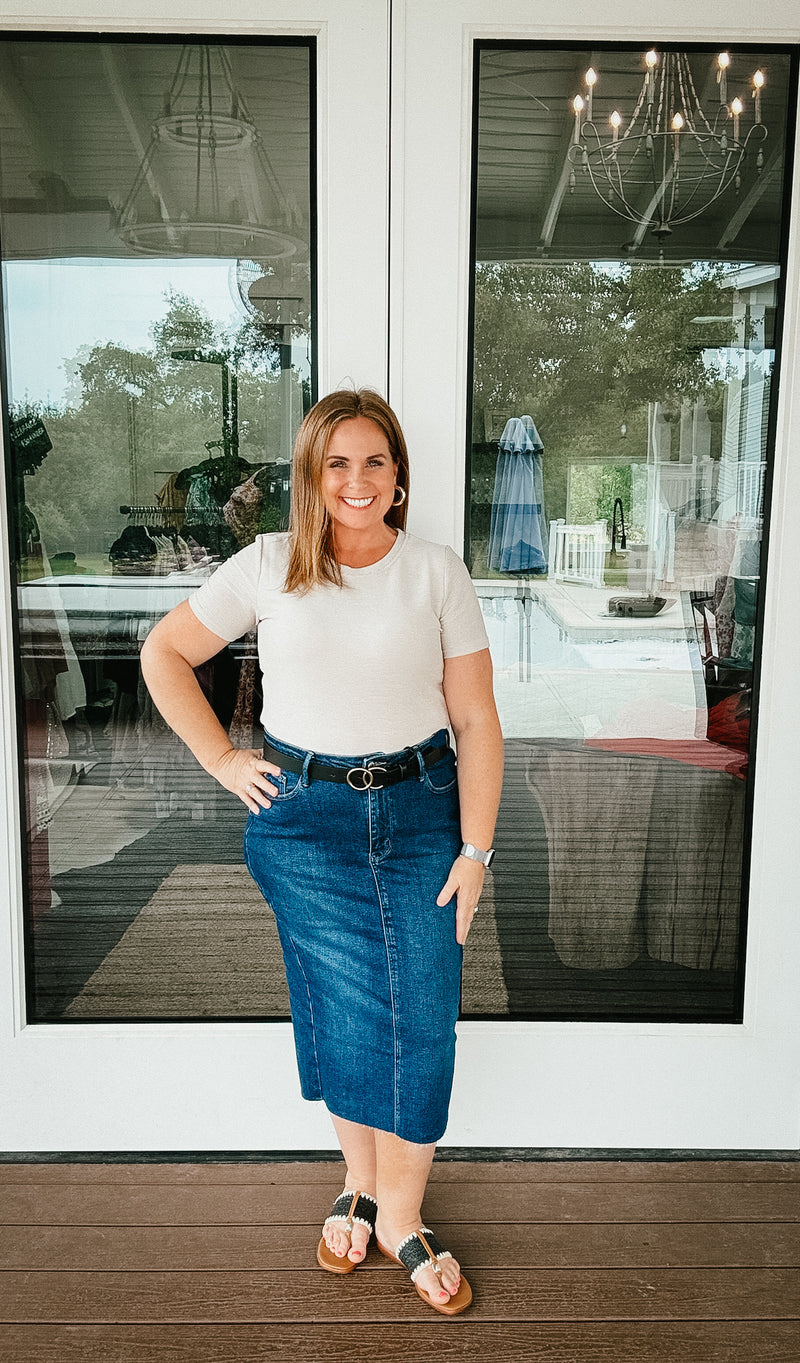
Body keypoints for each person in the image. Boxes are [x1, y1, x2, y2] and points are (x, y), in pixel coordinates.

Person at [140, 388, 504, 1316]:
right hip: (305, 823)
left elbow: (475, 719)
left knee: (421, 1012)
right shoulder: (267, 565)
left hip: (421, 814)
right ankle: (361, 1181)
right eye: (336, 462)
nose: (357, 479)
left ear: (398, 475)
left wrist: (475, 849)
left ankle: (402, 1216)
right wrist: (224, 758)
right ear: (311, 475)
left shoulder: (435, 572)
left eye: (375, 460)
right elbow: (164, 654)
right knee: (341, 1008)